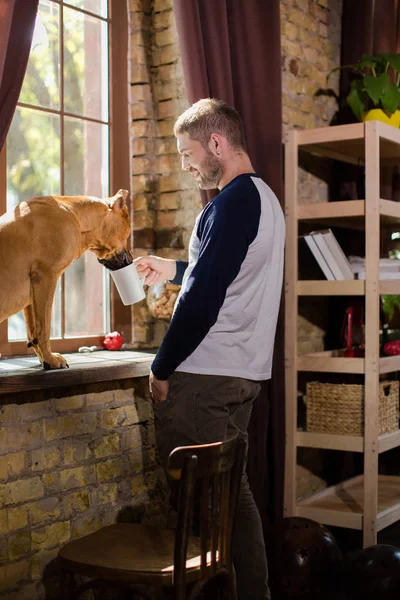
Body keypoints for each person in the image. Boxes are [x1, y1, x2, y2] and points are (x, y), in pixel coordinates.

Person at [135, 98, 285, 600]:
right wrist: (172, 267)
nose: (186, 164)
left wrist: (161, 366)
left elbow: (204, 297)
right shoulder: (261, 198)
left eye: (188, 152)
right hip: (243, 374)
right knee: (231, 499)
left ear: (216, 143)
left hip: (205, 378)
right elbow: (225, 271)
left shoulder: (232, 202)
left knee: (202, 512)